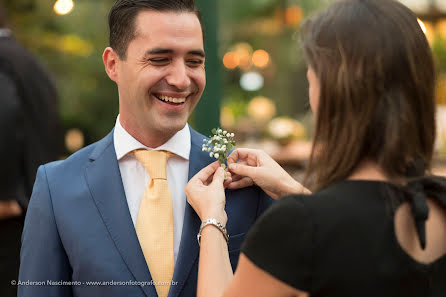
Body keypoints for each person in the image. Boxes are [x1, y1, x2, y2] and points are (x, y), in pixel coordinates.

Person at [17, 1, 282, 297]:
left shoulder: (244, 180)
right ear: (113, 64)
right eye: (159, 60)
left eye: (194, 61)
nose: (181, 80)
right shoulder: (57, 188)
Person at [185, 0, 446, 296]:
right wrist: (291, 189)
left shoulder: (298, 229)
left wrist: (211, 218)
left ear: (332, 94)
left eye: (312, 80)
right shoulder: (437, 203)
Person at [0, 2, 63, 296]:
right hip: (36, 205)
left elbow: (5, 113)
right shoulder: (33, 64)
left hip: (9, 211)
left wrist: (4, 193)